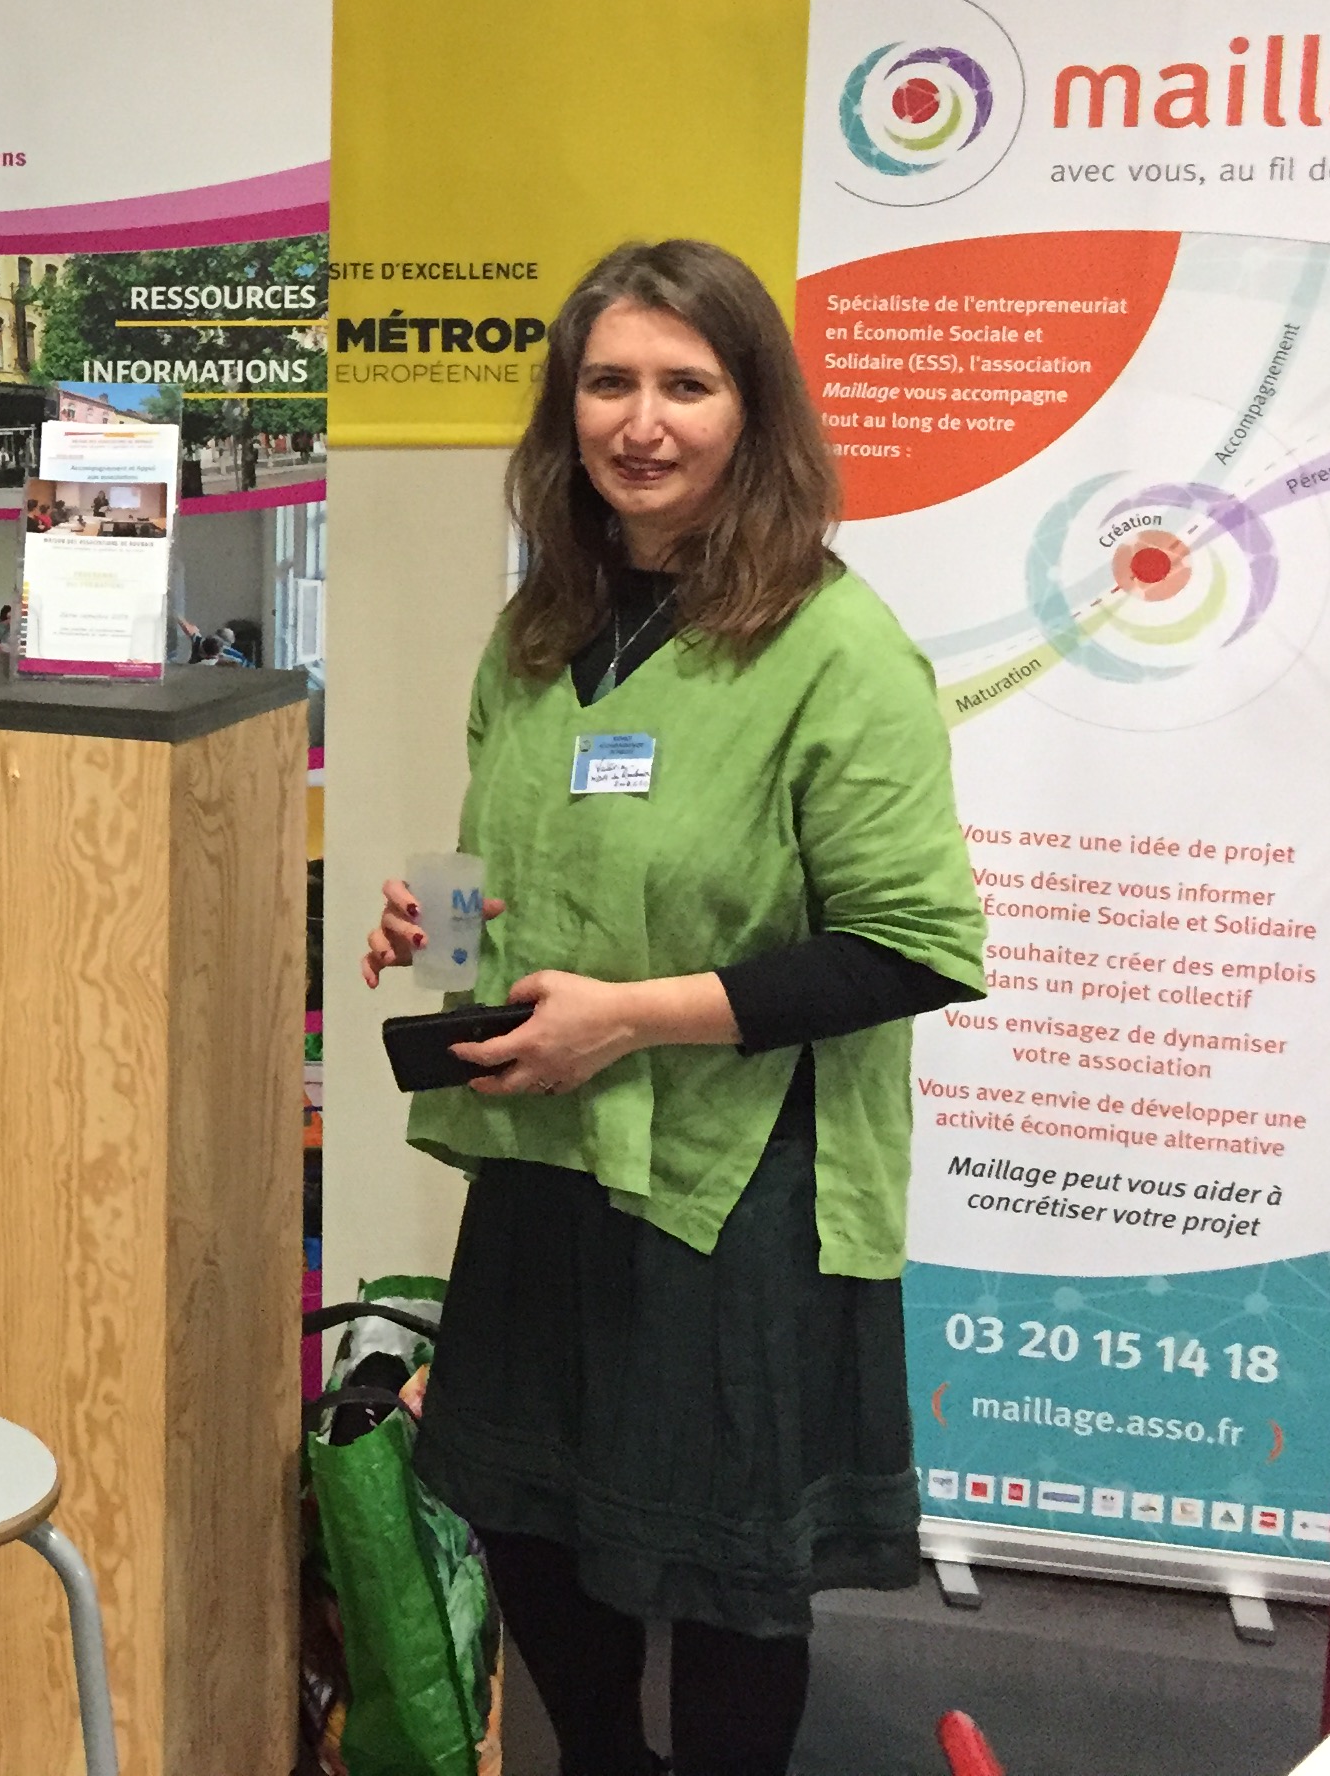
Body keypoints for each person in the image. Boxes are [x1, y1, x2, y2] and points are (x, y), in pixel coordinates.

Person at [361, 239, 983, 1776]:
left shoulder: (836, 648)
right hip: (548, 1154)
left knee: (724, 1575)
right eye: (610, 383)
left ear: (752, 411)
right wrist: (437, 926)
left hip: (739, 1184)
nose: (643, 422)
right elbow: (511, 852)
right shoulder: (541, 631)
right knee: (523, 1517)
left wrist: (633, 1017)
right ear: (565, 410)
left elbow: (912, 948)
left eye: (686, 385)